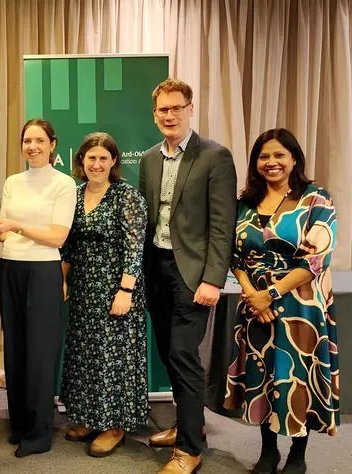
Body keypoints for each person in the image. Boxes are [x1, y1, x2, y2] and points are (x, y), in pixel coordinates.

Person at [224, 128, 338, 474]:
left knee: (296, 375)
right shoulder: (245, 202)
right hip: (256, 306)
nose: (271, 162)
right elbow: (233, 255)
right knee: (262, 373)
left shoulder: (316, 198)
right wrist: (253, 295)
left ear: (293, 159)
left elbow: (316, 259)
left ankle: (298, 454)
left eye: (278, 155)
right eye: (263, 156)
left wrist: (271, 294)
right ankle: (269, 450)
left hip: (299, 304)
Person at [139, 78, 237, 474]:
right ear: (155, 114)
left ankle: (191, 450)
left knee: (183, 353)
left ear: (189, 109)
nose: (169, 115)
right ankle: (186, 424)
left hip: (194, 273)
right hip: (156, 269)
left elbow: (222, 225)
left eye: (176, 108)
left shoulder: (215, 156)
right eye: (162, 109)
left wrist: (214, 279)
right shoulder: (148, 158)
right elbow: (145, 220)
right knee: (168, 353)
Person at [0, 119, 76, 457]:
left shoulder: (64, 184)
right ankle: (20, 424)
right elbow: (5, 232)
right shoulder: (12, 181)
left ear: (53, 144)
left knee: (41, 353)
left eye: (40, 140)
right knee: (16, 348)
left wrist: (17, 226)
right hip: (10, 267)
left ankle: (40, 433)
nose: (33, 146)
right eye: (27, 140)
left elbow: (57, 236)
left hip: (43, 272)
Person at [60, 132, 149, 457]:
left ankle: (114, 425)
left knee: (115, 358)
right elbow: (68, 243)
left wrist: (126, 289)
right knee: (87, 356)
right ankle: (88, 417)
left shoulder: (126, 196)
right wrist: (64, 279)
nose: (96, 164)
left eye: (103, 158)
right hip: (84, 288)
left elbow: (134, 246)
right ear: (81, 161)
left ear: (113, 162)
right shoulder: (76, 193)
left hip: (116, 288)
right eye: (91, 158)